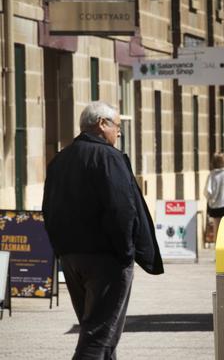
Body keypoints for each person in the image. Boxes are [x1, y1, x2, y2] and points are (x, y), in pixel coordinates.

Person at [42, 101, 163, 359]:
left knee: (100, 333)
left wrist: (62, 250)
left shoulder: (60, 159)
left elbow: (49, 209)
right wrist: (125, 252)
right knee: (98, 336)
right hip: (106, 258)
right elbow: (122, 208)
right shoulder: (109, 157)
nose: (119, 133)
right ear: (101, 124)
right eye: (118, 126)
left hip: (72, 257)